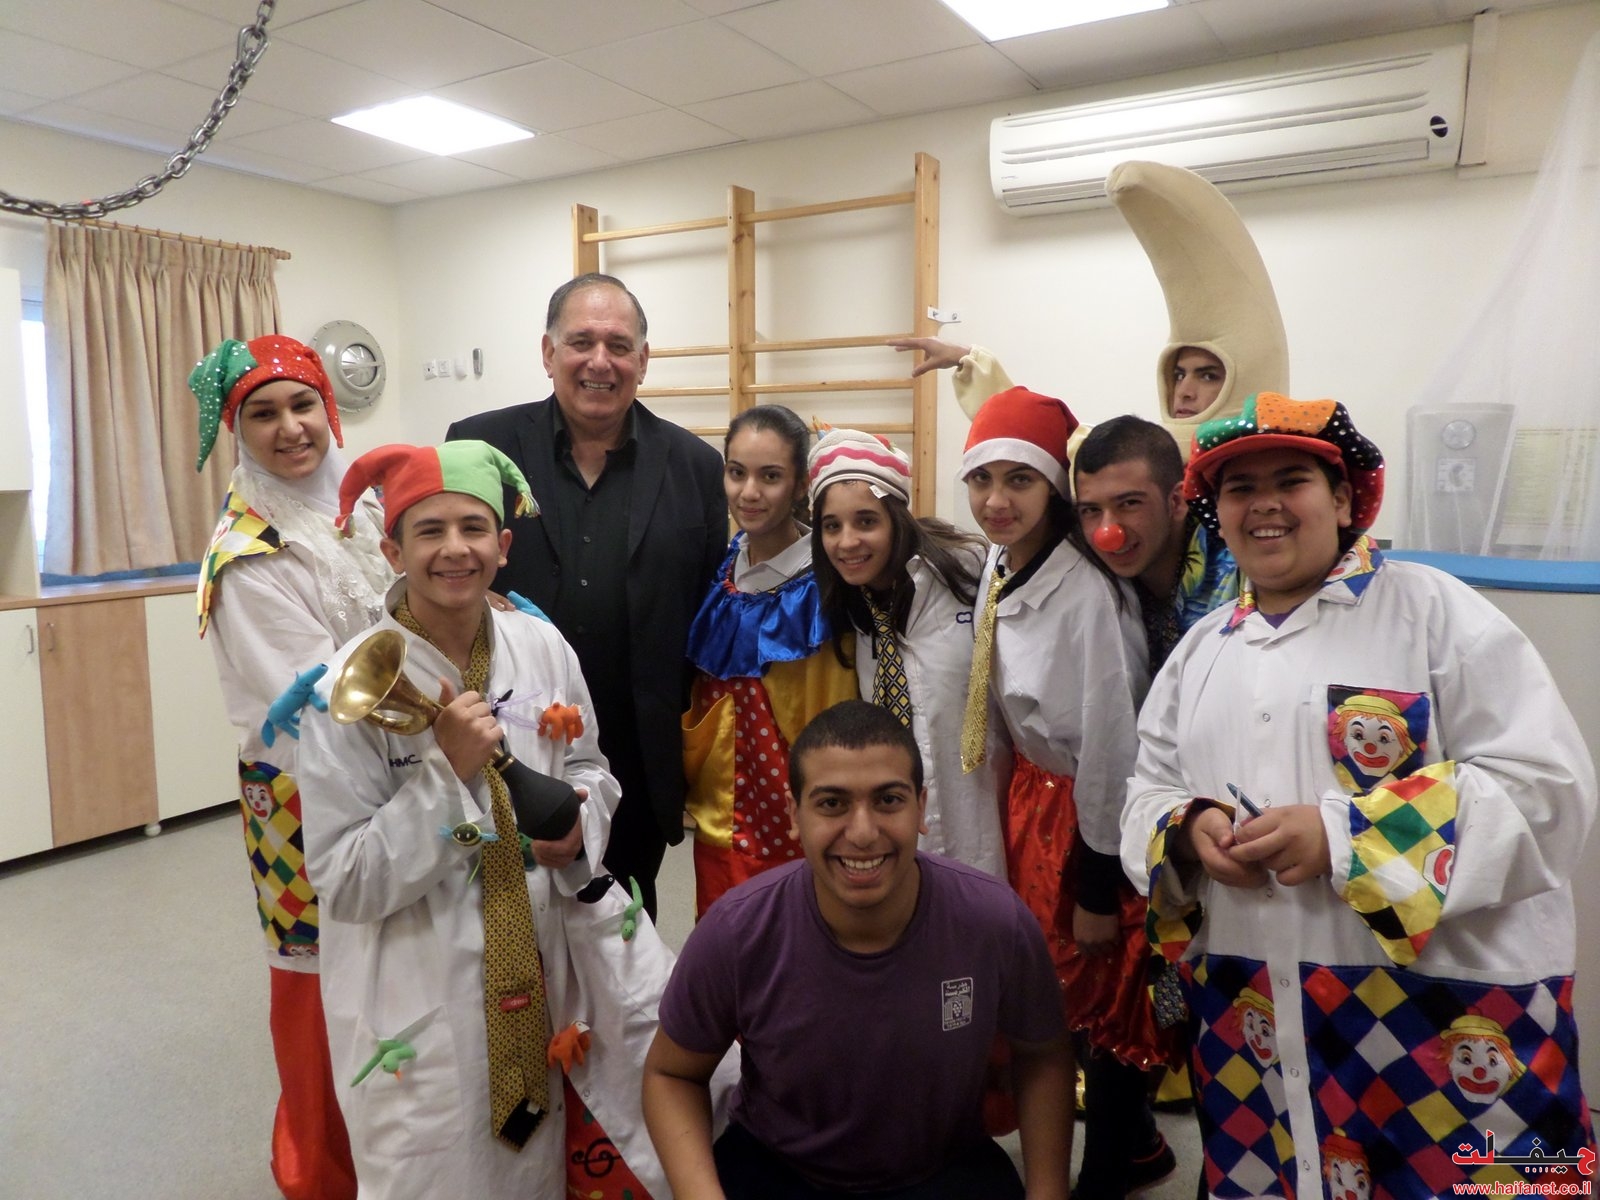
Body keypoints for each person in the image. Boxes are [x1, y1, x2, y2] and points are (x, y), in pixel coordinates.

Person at [1124, 393, 1598, 1197]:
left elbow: (1546, 791)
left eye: (1291, 481)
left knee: (1496, 1185)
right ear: (1218, 514)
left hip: (1455, 1017)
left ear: (1344, 499)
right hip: (1257, 1016)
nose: (1264, 504)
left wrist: (1343, 839)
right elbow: (1148, 790)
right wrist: (1188, 827)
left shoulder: (1438, 612)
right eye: (1240, 489)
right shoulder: (1201, 651)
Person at [297, 440, 687, 1200]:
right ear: (392, 551)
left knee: (559, 1163)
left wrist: (579, 831)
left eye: (473, 528)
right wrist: (446, 777)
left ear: (503, 546)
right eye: (430, 531)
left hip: (549, 966)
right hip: (421, 993)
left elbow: (590, 770)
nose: (455, 549)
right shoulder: (344, 692)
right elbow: (344, 881)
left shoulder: (541, 645)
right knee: (442, 1175)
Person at [642, 699, 1073, 1200]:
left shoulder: (995, 921)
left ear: (921, 808)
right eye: (832, 804)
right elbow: (671, 1073)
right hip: (779, 1169)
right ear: (794, 814)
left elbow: (1044, 1056)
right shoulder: (737, 931)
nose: (863, 833)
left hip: (946, 1167)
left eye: (888, 800)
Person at [446, 272, 727, 919]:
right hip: (505, 742)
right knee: (505, 920)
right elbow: (442, 568)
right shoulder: (479, 446)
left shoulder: (696, 466)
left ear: (643, 360)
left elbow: (707, 616)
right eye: (581, 342)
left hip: (636, 753)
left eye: (619, 346)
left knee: (622, 920)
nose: (600, 361)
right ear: (549, 353)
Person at [960, 386, 1177, 1199]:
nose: (997, 501)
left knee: (1104, 987)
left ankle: (1114, 1162)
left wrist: (1094, 887)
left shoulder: (1087, 596)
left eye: (1019, 480)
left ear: (1053, 489)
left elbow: (1112, 752)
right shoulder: (1002, 561)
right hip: (1032, 802)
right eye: (982, 480)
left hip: (1085, 816)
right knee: (1056, 987)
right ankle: (1141, 1143)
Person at [192, 333, 380, 1200]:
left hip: (396, 774)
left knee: (395, 969)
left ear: (328, 408)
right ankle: (322, 1174)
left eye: (302, 404)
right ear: (237, 431)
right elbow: (323, 700)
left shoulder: (362, 507)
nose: (290, 428)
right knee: (319, 994)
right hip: (304, 800)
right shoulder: (246, 554)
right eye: (262, 414)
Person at [807, 426, 1007, 878]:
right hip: (901, 838)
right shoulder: (850, 610)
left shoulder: (971, 577)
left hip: (985, 818)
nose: (847, 542)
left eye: (866, 521)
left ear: (896, 520)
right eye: (832, 526)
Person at [682, 405, 856, 916]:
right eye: (737, 473)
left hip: (797, 822)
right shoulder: (722, 567)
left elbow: (836, 718)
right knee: (725, 943)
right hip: (719, 819)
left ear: (801, 485)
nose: (749, 492)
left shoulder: (824, 588)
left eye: (771, 477)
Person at [1072, 414, 1237, 672]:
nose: (1108, 531)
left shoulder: (1238, 579)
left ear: (1177, 502)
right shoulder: (1089, 579)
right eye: (1091, 510)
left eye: (1129, 503)